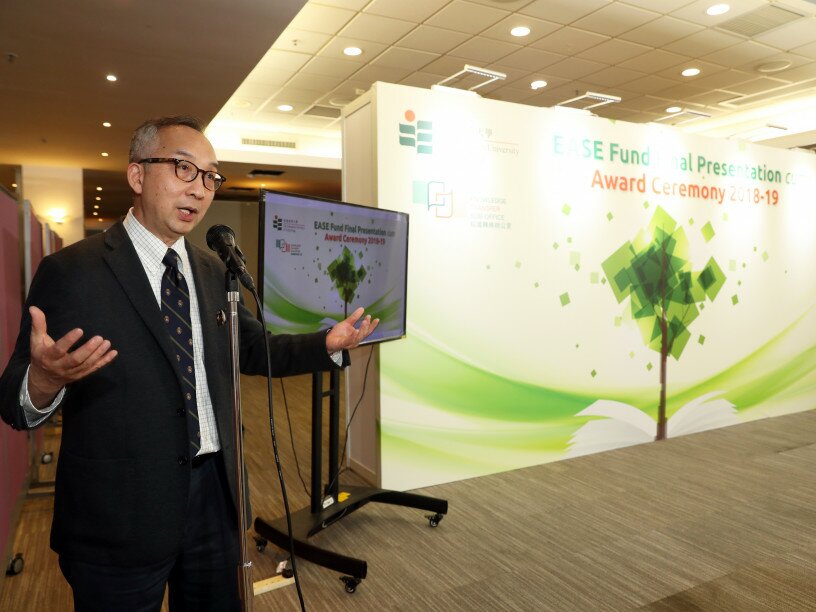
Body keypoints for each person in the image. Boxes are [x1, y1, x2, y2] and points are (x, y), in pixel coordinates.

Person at [0, 115, 378, 611]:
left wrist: (327, 342)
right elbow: (14, 403)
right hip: (120, 513)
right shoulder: (73, 271)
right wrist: (44, 379)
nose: (200, 190)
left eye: (210, 177)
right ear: (137, 176)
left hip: (216, 499)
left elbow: (251, 348)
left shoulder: (211, 268)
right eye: (183, 169)